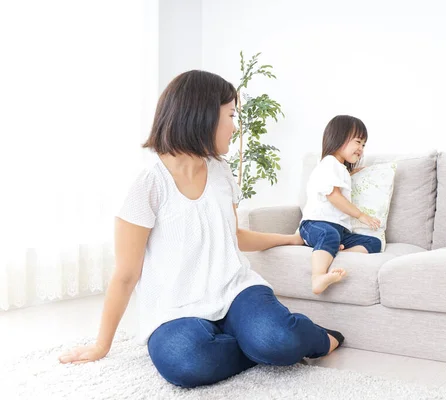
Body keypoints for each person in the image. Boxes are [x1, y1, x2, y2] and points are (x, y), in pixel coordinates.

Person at [59, 70, 344, 388]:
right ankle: (257, 345)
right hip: (174, 308)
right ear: (203, 116)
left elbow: (233, 236)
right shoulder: (149, 184)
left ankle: (317, 338)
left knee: (276, 339)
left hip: (236, 291)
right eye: (231, 115)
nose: (235, 127)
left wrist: (291, 238)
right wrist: (102, 344)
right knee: (186, 360)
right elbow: (126, 273)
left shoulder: (221, 172)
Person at [299, 115, 382, 295]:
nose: (361, 148)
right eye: (358, 142)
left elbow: (340, 183)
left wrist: (354, 173)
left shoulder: (340, 168)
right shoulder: (329, 163)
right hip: (315, 224)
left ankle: (333, 251)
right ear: (339, 138)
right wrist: (361, 216)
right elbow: (334, 195)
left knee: (373, 242)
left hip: (339, 230)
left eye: (364, 145)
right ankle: (318, 277)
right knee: (328, 234)